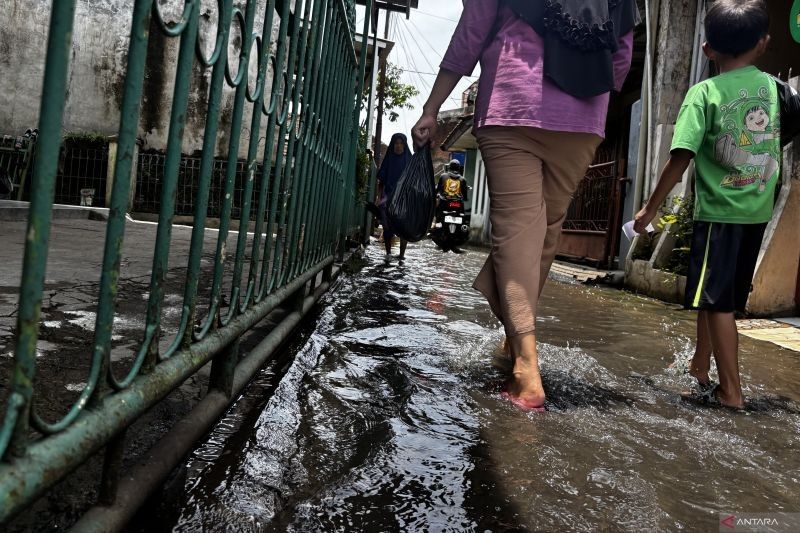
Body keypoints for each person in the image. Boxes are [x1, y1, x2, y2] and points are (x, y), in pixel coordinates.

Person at [412, 0, 638, 410]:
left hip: (513, 102)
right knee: (544, 235)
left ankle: (526, 369)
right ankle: (513, 341)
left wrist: (432, 107)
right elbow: (621, 55)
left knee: (518, 233)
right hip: (584, 115)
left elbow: (471, 34)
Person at [634, 0, 800, 409]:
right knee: (717, 296)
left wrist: (651, 208)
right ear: (763, 44)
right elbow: (785, 134)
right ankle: (700, 367)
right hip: (757, 211)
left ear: (707, 50)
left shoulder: (704, 92)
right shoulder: (779, 91)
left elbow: (681, 156)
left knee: (718, 303)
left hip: (720, 213)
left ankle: (732, 392)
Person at [377, 133, 412, 260]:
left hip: (404, 198)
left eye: (401, 143)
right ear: (393, 145)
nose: (398, 146)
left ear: (404, 144)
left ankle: (402, 255)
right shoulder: (389, 159)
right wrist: (379, 198)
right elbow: (381, 181)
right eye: (396, 143)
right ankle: (388, 253)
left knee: (403, 227)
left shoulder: (409, 160)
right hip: (388, 196)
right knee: (387, 227)